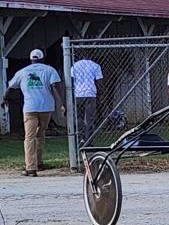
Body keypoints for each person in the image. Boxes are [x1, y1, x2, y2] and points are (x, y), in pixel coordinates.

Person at [0, 49, 65, 177]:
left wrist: (4, 99)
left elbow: (10, 87)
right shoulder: (49, 70)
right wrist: (62, 104)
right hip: (46, 108)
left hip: (30, 108)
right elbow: (56, 86)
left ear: (31, 59)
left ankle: (31, 167)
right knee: (40, 134)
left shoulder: (23, 72)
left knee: (29, 137)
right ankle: (39, 162)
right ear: (42, 58)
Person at [71, 56, 103, 143]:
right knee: (89, 119)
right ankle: (89, 140)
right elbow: (99, 82)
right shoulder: (95, 66)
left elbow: (72, 80)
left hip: (78, 94)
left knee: (78, 117)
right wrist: (100, 93)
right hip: (90, 94)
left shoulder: (74, 66)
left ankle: (80, 138)